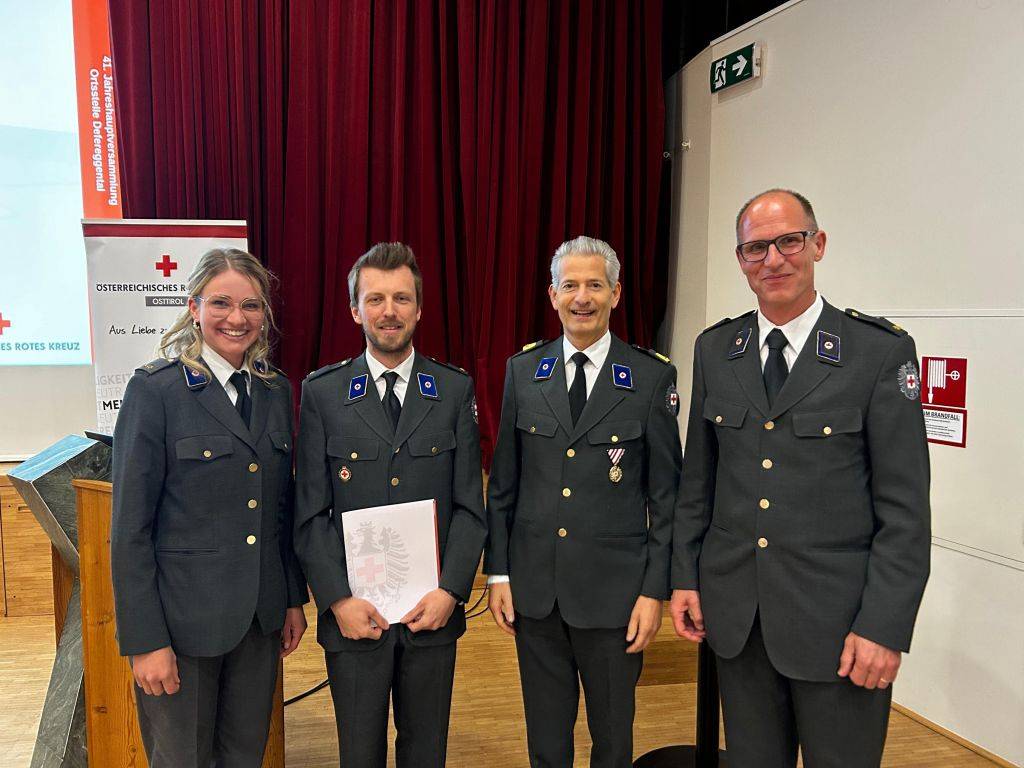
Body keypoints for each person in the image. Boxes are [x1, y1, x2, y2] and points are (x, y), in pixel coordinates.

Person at [670, 189, 931, 767]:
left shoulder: (876, 354)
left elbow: (906, 513)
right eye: (755, 248)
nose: (774, 259)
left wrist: (885, 626)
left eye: (789, 241)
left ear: (817, 244)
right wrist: (686, 575)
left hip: (840, 631)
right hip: (740, 621)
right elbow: (700, 484)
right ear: (740, 260)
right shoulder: (717, 350)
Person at [485, 236, 682, 767]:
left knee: (613, 739)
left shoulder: (649, 377)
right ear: (552, 295)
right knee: (546, 741)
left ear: (616, 293)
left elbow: (667, 500)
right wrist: (498, 575)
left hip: (615, 598)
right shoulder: (524, 372)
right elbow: (504, 486)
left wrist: (653, 592)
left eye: (595, 284)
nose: (582, 297)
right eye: (570, 285)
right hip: (536, 593)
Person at [111, 248, 308, 766]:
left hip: (257, 625)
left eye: (251, 306)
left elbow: (278, 512)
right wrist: (145, 640)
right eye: (221, 303)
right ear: (194, 306)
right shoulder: (156, 391)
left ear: (265, 314)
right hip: (181, 629)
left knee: (245, 756)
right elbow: (130, 530)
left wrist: (290, 598)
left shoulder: (274, 391)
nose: (236, 319)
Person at [293, 242, 486, 768]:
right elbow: (309, 514)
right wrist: (336, 600)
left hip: (432, 614)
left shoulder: (451, 390)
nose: (389, 311)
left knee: (426, 753)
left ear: (419, 308)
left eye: (402, 298)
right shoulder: (324, 394)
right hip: (356, 617)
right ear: (355, 310)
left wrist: (451, 591)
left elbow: (471, 507)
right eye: (374, 299)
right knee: (359, 754)